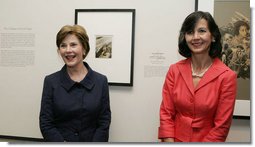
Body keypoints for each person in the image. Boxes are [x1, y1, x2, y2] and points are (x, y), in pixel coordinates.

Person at [158, 11, 237, 142]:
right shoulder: (174, 70)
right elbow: (166, 113)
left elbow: (221, 127)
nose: (195, 37)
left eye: (201, 31)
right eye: (190, 32)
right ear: (185, 37)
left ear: (213, 36)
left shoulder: (227, 77)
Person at [39, 25, 111, 142]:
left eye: (73, 45)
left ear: (84, 49)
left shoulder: (101, 81)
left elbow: (104, 122)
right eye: (63, 45)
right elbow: (46, 123)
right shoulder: (50, 81)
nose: (68, 50)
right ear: (59, 51)